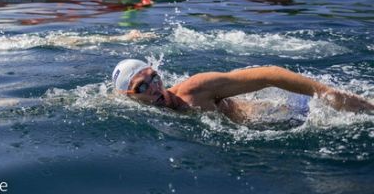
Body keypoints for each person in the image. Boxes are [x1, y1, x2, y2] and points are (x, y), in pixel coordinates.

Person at [112, 59, 374, 123]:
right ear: (127, 96)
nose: (155, 87)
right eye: (142, 86)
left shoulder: (194, 89)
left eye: (155, 77)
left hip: (288, 114)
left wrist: (325, 93)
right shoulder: (128, 106)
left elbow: (268, 74)